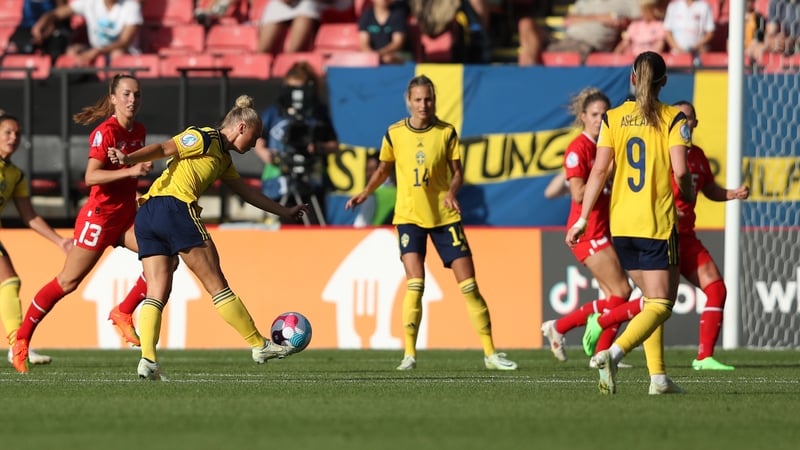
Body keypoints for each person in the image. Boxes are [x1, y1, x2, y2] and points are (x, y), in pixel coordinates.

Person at [106, 95, 309, 380]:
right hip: (175, 208)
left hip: (149, 214)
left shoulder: (223, 158)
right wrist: (130, 159)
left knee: (157, 292)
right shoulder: (204, 137)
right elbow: (165, 147)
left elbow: (247, 193)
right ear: (240, 127)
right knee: (217, 285)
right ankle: (258, 345)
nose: (255, 143)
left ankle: (148, 360)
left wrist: (284, 211)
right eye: (254, 136)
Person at [345, 75, 517, 371]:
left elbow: (458, 172)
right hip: (409, 217)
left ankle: (490, 354)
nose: (423, 104)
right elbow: (384, 169)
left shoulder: (446, 133)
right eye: (418, 99)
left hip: (444, 218)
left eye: (428, 99)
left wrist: (451, 192)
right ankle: (409, 355)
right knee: (416, 283)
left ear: (434, 100)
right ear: (408, 101)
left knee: (469, 286)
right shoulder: (394, 133)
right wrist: (365, 192)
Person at [583, 100, 751, 371]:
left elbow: (707, 188)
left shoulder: (696, 155)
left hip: (688, 238)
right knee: (657, 301)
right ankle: (609, 335)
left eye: (689, 118)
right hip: (663, 232)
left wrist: (731, 194)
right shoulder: (662, 151)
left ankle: (703, 357)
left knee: (715, 289)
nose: (684, 122)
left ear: (695, 123)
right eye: (679, 117)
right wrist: (671, 212)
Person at [566, 51, 694, 395]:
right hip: (655, 223)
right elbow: (681, 171)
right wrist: (689, 189)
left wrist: (580, 219)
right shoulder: (673, 118)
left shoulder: (613, 118)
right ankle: (614, 352)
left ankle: (658, 378)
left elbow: (599, 171)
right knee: (662, 304)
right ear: (664, 83)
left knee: (650, 299)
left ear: (633, 79)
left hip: (620, 226)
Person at [11, 74, 154, 374]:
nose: (132, 100)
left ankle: (124, 311)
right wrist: (130, 173)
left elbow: (126, 172)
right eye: (126, 94)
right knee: (67, 282)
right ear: (113, 98)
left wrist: (136, 187)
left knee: (163, 255)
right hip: (99, 219)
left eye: (137, 95)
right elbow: (91, 177)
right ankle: (21, 340)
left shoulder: (138, 130)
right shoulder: (105, 132)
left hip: (125, 216)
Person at [541, 88, 638, 364]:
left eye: (604, 115)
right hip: (586, 232)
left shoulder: (606, 145)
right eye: (594, 115)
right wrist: (605, 171)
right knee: (622, 291)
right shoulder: (578, 149)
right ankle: (601, 349)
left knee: (613, 297)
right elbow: (578, 194)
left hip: (603, 229)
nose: (599, 120)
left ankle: (562, 330)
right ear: (583, 117)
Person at [0, 114, 71, 368]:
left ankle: (17, 345)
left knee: (9, 281)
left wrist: (60, 241)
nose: (13, 138)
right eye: (7, 132)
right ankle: (18, 345)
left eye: (17, 134)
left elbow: (29, 215)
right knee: (8, 281)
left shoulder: (15, 175)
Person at [253, 61, 338, 224]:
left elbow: (334, 144)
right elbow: (258, 140)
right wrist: (265, 153)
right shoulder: (274, 112)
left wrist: (318, 147)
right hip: (279, 179)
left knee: (313, 224)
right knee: (283, 224)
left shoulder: (318, 113)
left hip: (311, 179)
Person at [31, 0, 143, 66]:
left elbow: (124, 41)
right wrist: (42, 22)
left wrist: (97, 51)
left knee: (117, 54)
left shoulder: (132, 7)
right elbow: (57, 13)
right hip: (96, 49)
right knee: (72, 51)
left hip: (122, 52)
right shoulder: (90, 2)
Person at [544, 0, 642, 63]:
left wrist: (625, 23)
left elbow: (646, 20)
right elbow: (567, 21)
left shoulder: (629, 2)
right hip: (566, 40)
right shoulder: (584, 2)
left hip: (586, 45)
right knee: (529, 28)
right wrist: (603, 18)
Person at [5, 0, 70, 63]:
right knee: (12, 52)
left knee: (56, 49)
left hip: (52, 28)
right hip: (27, 28)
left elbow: (62, 14)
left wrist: (49, 28)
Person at [257, 0, 324, 54]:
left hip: (310, 5)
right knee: (262, 52)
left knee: (303, 19)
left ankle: (290, 61)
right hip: (280, 5)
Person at [357, 0, 411, 65]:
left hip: (399, 54)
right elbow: (364, 43)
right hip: (374, 54)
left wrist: (379, 54)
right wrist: (372, 55)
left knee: (388, 58)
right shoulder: (366, 15)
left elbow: (397, 43)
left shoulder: (398, 15)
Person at [352, 153, 396, 227]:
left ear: (380, 171)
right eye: (367, 170)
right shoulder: (399, 191)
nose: (368, 173)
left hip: (375, 235)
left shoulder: (372, 194)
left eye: (371, 170)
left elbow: (361, 224)